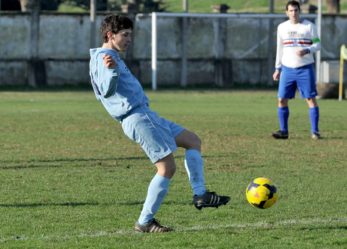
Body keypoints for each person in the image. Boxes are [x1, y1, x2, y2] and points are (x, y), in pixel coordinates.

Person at [89, 15, 230, 233]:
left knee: (192, 140)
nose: (129, 40)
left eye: (131, 35)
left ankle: (201, 194)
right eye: (125, 35)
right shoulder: (105, 58)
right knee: (166, 168)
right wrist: (113, 71)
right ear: (110, 35)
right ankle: (145, 222)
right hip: (137, 117)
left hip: (146, 114)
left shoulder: (108, 55)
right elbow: (107, 90)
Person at [272, 0, 321, 140]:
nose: (294, 13)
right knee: (281, 99)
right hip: (287, 69)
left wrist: (306, 50)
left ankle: (315, 131)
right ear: (286, 12)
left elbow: (317, 45)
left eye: (296, 10)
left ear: (300, 11)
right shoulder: (282, 27)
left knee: (310, 99)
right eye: (291, 11)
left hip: (305, 68)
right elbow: (279, 49)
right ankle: (284, 131)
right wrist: (277, 68)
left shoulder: (309, 26)